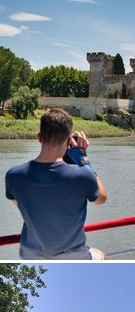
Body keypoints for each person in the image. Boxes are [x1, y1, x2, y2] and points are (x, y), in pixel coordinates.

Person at [5, 108, 108, 259]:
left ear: (39, 137)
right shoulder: (83, 175)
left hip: (31, 257)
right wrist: (84, 161)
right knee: (101, 254)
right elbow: (101, 198)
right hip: (74, 257)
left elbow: (20, 202)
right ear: (68, 141)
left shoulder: (14, 175)